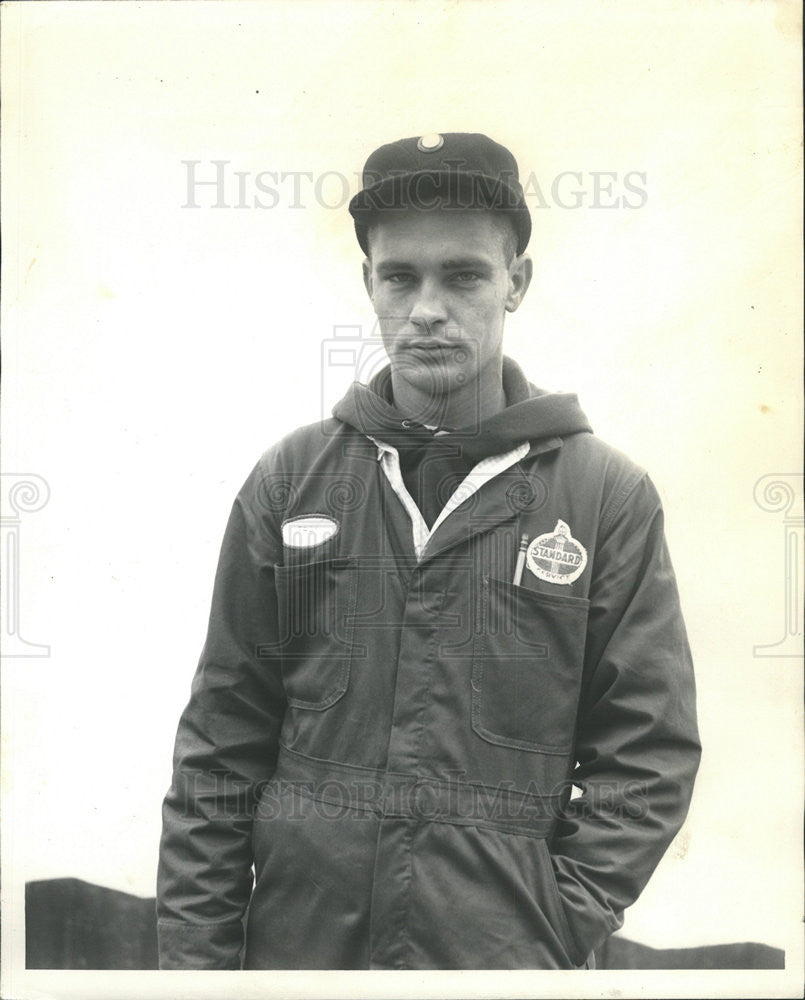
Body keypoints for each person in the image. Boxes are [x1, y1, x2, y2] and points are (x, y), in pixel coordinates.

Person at [156, 132, 701, 970]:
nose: (427, 309)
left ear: (515, 281)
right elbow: (220, 742)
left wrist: (554, 923)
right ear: (367, 284)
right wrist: (195, 965)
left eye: (464, 275)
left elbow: (648, 750)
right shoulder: (290, 480)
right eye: (399, 276)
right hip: (301, 959)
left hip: (504, 963)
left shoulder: (603, 498)